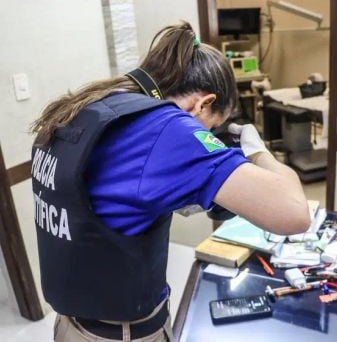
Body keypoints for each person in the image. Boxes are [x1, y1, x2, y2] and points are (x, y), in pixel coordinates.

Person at [30, 21, 309, 342]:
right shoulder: (165, 129)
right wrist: (258, 152)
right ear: (203, 103)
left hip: (71, 321)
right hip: (121, 334)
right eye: (211, 127)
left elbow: (104, 197)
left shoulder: (91, 106)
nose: (206, 135)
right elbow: (294, 214)